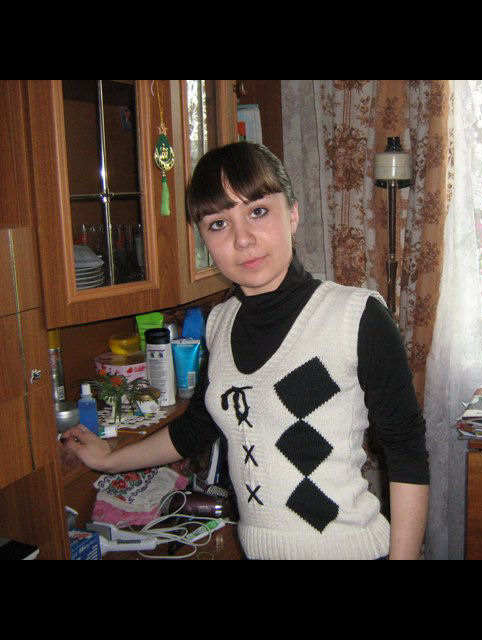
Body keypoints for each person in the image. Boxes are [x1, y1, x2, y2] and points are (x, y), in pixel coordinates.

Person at [63, 141, 430, 560]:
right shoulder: (219, 324)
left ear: (292, 214)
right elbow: (196, 428)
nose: (243, 239)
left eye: (258, 212)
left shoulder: (355, 316)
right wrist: (109, 460)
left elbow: (406, 452)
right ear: (203, 239)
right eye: (218, 223)